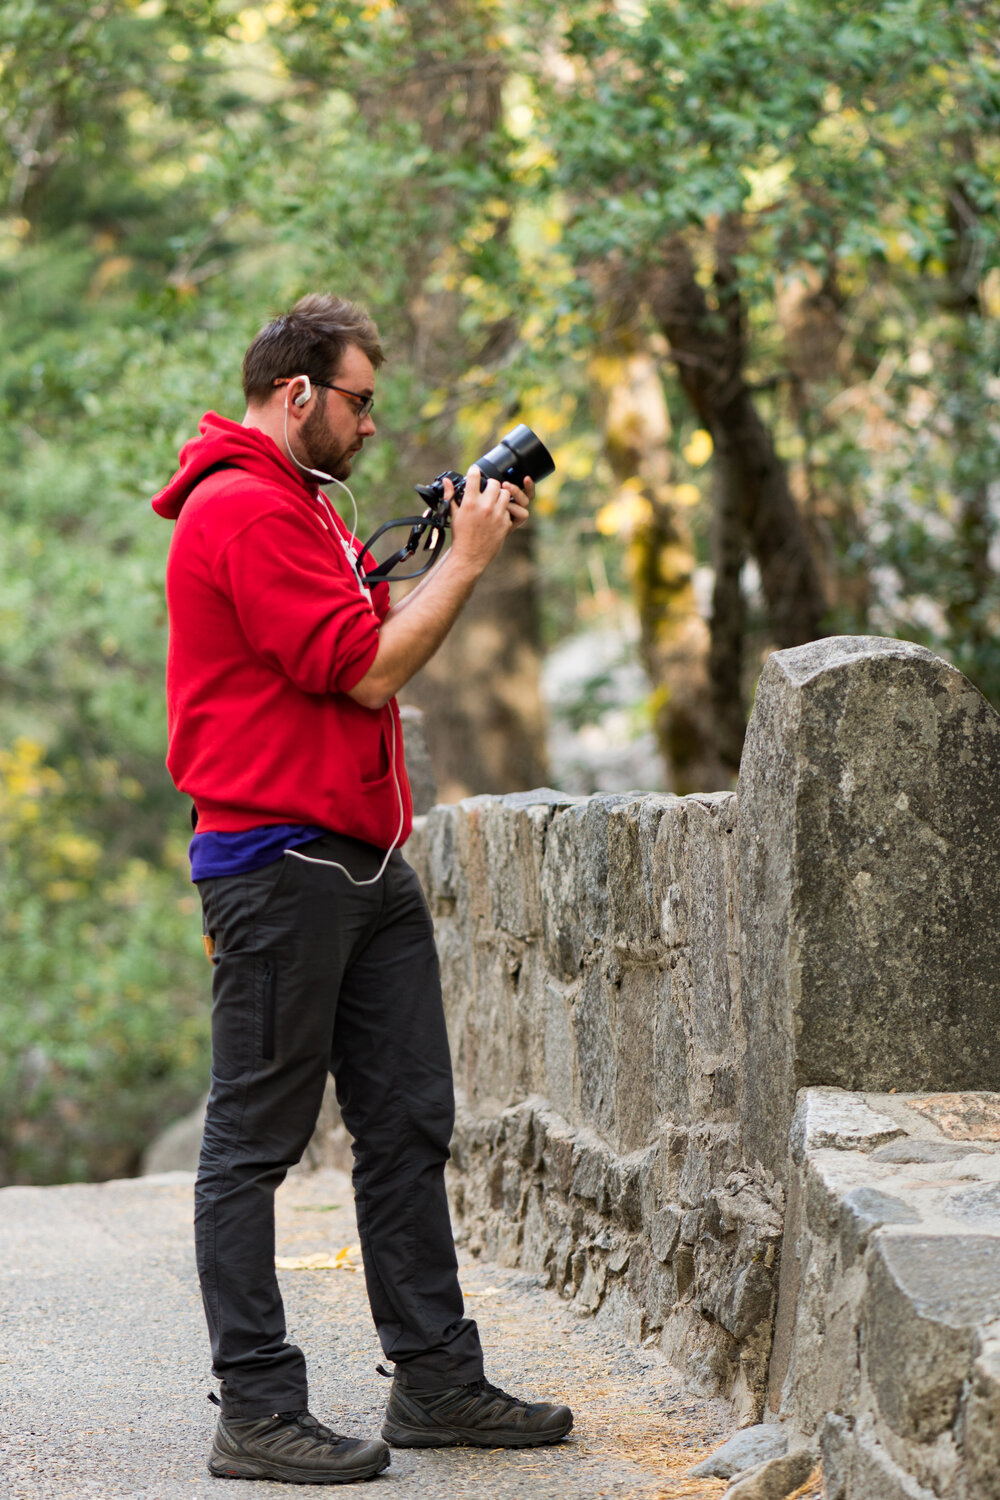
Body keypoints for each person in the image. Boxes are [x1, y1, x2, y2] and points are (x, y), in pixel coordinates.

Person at [151, 293, 573, 1485]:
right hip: (279, 868)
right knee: (251, 1142)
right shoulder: (242, 509)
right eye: (359, 401)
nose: (373, 426)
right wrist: (477, 562)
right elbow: (371, 671)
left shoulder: (302, 507)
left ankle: (435, 1381)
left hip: (360, 859)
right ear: (299, 397)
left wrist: (438, 554)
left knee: (403, 1125)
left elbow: (365, 627)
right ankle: (258, 1410)